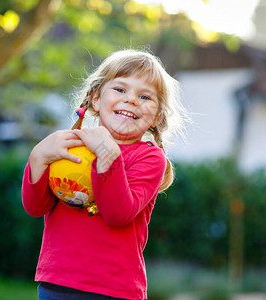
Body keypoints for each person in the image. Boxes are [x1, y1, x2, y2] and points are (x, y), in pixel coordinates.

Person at [21, 49, 187, 300]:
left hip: (114, 290)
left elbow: (118, 214)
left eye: (144, 96)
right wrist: (38, 158)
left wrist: (108, 156)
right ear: (96, 99)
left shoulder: (150, 158)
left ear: (157, 117)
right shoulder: (70, 145)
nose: (131, 99)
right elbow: (36, 206)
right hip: (56, 282)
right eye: (120, 90)